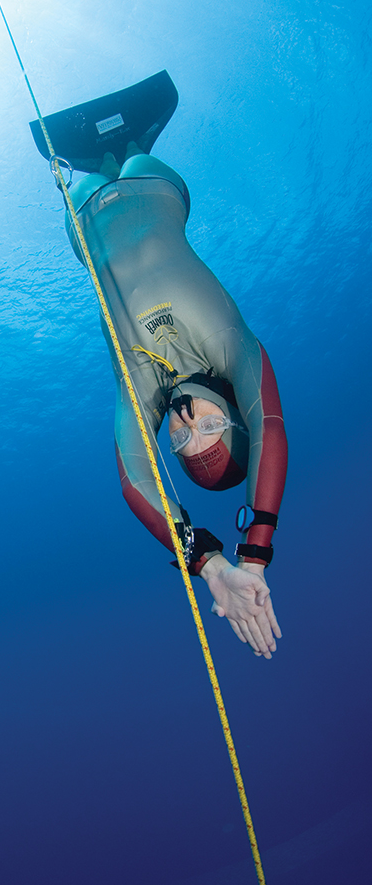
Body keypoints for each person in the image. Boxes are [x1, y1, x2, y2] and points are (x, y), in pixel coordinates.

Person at [43, 75, 288, 659]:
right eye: (207, 427)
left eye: (179, 440)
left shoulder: (142, 393)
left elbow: (134, 482)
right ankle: (131, 139)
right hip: (154, 189)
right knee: (131, 156)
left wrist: (208, 565)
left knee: (90, 169)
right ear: (234, 415)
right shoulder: (234, 351)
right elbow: (273, 432)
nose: (182, 422)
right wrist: (253, 556)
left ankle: (95, 154)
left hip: (87, 224)